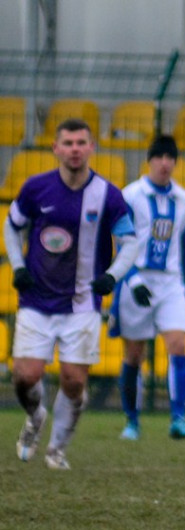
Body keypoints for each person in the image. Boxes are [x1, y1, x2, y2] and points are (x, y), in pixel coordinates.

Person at [3, 118, 141, 470]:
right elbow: (11, 225)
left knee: (74, 381)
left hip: (81, 304)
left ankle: (57, 449)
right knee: (25, 376)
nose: (75, 149)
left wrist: (111, 276)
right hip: (36, 301)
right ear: (56, 148)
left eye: (81, 142)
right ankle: (35, 418)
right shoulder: (36, 188)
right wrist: (17, 266)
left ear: (91, 147)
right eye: (68, 143)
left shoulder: (108, 195)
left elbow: (129, 242)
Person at [111, 135, 185, 442]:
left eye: (170, 157)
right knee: (134, 354)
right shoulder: (131, 195)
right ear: (149, 160)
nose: (165, 163)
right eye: (159, 156)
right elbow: (122, 242)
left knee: (178, 344)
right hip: (136, 280)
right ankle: (132, 421)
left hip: (170, 283)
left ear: (176, 162)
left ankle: (179, 418)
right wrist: (132, 279)